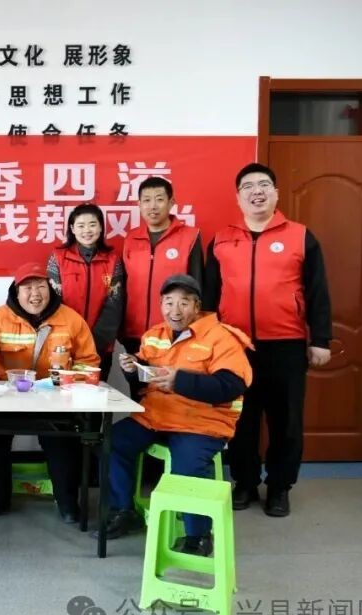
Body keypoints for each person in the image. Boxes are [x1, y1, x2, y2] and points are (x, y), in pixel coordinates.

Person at [203, 163, 332, 518]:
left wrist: (320, 339)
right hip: (235, 346)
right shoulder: (222, 239)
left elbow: (318, 291)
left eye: (263, 185)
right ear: (238, 197)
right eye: (248, 186)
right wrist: (208, 341)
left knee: (285, 421)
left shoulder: (301, 236)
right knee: (240, 419)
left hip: (286, 345)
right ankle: (244, 482)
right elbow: (210, 296)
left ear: (275, 193)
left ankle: (279, 486)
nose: (256, 191)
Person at [95, 274, 252, 556]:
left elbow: (231, 386)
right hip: (156, 416)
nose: (175, 311)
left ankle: (198, 536)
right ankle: (123, 510)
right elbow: (145, 380)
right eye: (168, 303)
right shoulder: (154, 335)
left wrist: (181, 382)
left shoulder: (222, 337)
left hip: (201, 422)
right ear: (160, 304)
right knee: (110, 441)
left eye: (184, 303)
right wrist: (134, 368)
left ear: (197, 306)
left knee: (188, 465)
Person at [0, 263, 99, 520]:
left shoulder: (71, 319)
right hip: (6, 398)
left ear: (50, 289)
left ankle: (67, 502)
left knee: (63, 441)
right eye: (27, 288)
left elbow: (88, 361)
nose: (35, 294)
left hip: (54, 400)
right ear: (16, 292)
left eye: (41, 286)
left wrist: (70, 379)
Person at [120, 177, 203, 356]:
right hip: (134, 332)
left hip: (174, 330)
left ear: (171, 202)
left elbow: (197, 285)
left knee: (170, 375)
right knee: (135, 374)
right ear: (139, 204)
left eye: (159, 199)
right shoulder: (131, 238)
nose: (153, 206)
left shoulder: (190, 236)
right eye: (146, 200)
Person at [46, 203, 126, 380]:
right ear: (72, 229)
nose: (87, 230)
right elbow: (53, 302)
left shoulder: (113, 260)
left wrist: (94, 343)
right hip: (64, 343)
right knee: (61, 391)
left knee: (94, 391)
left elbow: (115, 303)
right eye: (81, 225)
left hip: (101, 344)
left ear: (101, 227)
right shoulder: (58, 257)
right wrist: (70, 338)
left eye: (92, 224)